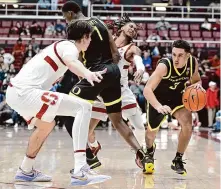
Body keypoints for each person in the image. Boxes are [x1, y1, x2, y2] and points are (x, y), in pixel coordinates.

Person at [6, 20, 110, 186]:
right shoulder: (69, 47)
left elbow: (74, 68)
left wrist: (87, 77)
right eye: (90, 38)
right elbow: (72, 63)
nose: (90, 42)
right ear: (84, 37)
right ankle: (80, 169)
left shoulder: (62, 48)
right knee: (83, 107)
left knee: (46, 125)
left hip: (15, 93)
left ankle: (25, 170)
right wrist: (89, 74)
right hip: (25, 92)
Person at [62, 1, 151, 174]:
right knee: (116, 119)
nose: (65, 20)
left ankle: (87, 160)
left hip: (97, 74)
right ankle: (141, 154)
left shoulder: (77, 26)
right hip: (112, 75)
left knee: (68, 114)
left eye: (65, 16)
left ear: (71, 14)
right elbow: (116, 53)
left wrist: (85, 75)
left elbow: (77, 56)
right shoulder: (99, 21)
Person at [87, 14, 146, 160]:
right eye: (130, 26)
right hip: (101, 90)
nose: (133, 29)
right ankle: (94, 145)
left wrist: (140, 68)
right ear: (121, 27)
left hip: (121, 91)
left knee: (139, 126)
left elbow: (138, 58)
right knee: (87, 131)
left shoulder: (132, 48)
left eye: (135, 28)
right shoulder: (107, 41)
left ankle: (141, 152)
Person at [143, 40, 204, 175]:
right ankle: (148, 153)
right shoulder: (164, 65)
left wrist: (198, 85)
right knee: (151, 133)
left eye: (180, 55)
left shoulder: (192, 63)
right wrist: (158, 106)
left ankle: (178, 159)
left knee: (188, 124)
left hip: (178, 98)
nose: (176, 59)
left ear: (187, 55)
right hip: (157, 99)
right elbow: (147, 90)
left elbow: (196, 80)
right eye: (174, 54)